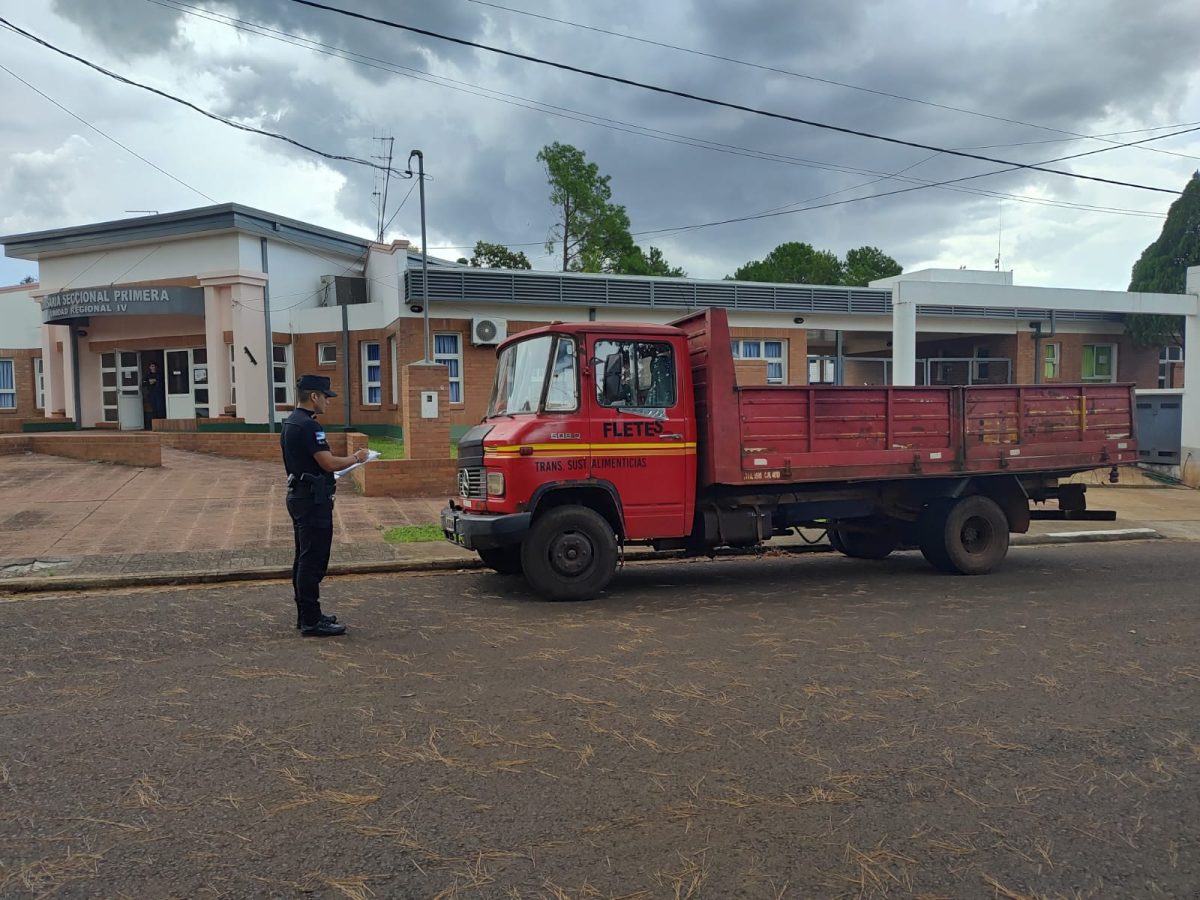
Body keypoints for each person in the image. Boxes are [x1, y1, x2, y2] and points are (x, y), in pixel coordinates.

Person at [280, 374, 368, 637]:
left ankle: (307, 615)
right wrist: (357, 458)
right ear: (314, 396)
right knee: (313, 560)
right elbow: (328, 463)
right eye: (325, 397)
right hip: (311, 501)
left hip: (300, 496)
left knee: (304, 558)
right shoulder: (309, 426)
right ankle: (311, 621)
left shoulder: (291, 422)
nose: (328, 402)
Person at [141, 361, 166, 430]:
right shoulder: (148, 375)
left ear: (156, 367)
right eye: (151, 366)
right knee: (154, 408)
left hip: (159, 393)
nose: (152, 368)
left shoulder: (159, 374)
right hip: (152, 393)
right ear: (149, 367)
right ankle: (155, 425)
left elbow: (163, 382)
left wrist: (156, 381)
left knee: (160, 408)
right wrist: (149, 382)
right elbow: (143, 383)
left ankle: (161, 424)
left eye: (153, 366)